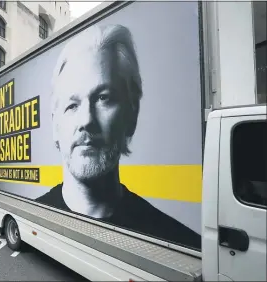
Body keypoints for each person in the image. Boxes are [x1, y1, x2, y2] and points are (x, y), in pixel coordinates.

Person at [35, 24, 201, 249]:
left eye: (104, 98)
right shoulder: (36, 213)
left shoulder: (180, 241)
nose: (86, 121)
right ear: (55, 125)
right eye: (72, 105)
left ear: (132, 115)